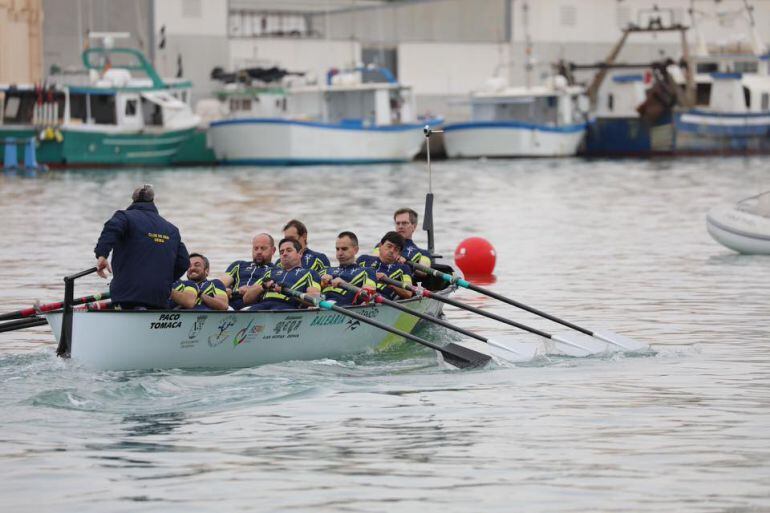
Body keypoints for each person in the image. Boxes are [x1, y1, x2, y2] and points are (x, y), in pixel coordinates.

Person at [94, 184, 189, 310]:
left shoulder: (124, 217)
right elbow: (184, 262)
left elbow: (111, 230)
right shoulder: (172, 229)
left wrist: (102, 254)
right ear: (153, 200)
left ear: (133, 199)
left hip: (127, 294)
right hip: (159, 296)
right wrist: (163, 279)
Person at [244, 238, 322, 310]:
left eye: (289, 250)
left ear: (300, 253)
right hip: (263, 305)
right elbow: (246, 299)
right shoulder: (270, 272)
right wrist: (263, 287)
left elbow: (315, 299)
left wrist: (287, 291)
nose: (284, 254)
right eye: (281, 252)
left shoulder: (310, 273)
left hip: (287, 307)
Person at [220, 233, 276, 310]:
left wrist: (250, 289)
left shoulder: (276, 270)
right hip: (231, 301)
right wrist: (224, 290)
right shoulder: (238, 265)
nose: (259, 252)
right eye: (256, 248)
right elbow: (220, 284)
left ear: (273, 250)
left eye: (263, 248)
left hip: (255, 304)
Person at [320, 231, 376, 306]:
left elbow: (368, 296)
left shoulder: (367, 271)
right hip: (320, 307)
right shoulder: (326, 271)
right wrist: (321, 284)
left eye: (344, 249)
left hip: (344, 309)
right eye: (337, 249)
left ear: (356, 250)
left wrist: (345, 284)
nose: (340, 253)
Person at [358, 231, 414, 300]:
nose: (391, 251)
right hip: (359, 296)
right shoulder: (363, 260)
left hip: (382, 301)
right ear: (380, 246)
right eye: (389, 246)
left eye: (396, 249)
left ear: (399, 253)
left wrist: (389, 283)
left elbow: (408, 293)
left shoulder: (404, 268)